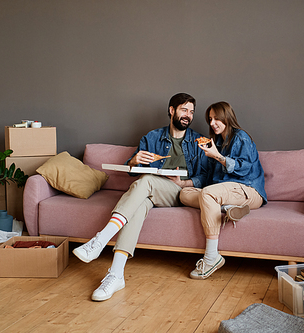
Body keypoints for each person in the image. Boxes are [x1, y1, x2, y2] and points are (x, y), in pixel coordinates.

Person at [73, 93, 208, 301]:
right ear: (172, 110)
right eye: (184, 110)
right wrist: (134, 160)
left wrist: (184, 183)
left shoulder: (197, 141)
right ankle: (116, 275)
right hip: (153, 193)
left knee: (146, 181)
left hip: (182, 192)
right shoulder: (152, 137)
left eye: (191, 112)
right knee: (140, 203)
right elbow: (132, 171)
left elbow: (206, 177)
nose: (188, 116)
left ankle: (100, 240)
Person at [180, 101, 267, 280]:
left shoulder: (241, 137)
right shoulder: (217, 142)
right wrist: (183, 182)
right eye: (210, 119)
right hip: (225, 192)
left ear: (227, 117)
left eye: (217, 118)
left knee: (208, 194)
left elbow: (244, 168)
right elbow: (209, 179)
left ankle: (212, 257)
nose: (212, 123)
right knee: (184, 194)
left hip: (248, 190)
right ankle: (226, 207)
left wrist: (218, 156)